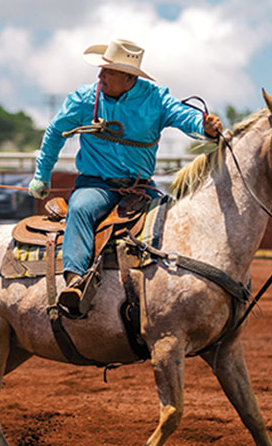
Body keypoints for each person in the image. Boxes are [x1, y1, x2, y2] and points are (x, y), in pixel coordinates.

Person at [28, 38, 221, 315]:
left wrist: (205, 128)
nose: (100, 75)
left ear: (128, 77)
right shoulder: (84, 99)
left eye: (108, 71)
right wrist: (42, 175)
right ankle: (75, 281)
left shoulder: (155, 98)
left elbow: (184, 117)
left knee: (173, 217)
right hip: (96, 185)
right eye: (102, 69)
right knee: (81, 208)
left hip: (142, 188)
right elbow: (56, 132)